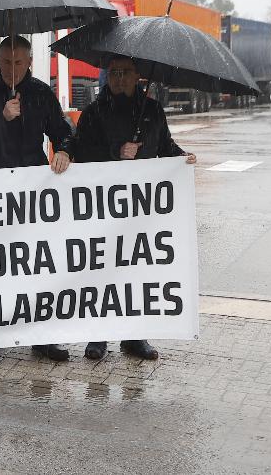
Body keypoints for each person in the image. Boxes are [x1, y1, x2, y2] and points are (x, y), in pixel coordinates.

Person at [71, 55, 198, 362]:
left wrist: (182, 157)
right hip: (103, 208)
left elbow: (164, 145)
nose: (119, 78)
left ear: (138, 75)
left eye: (125, 73)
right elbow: (79, 151)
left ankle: (133, 336)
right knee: (102, 271)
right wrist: (116, 152)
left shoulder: (152, 111)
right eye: (113, 73)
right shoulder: (93, 113)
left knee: (135, 273)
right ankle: (97, 335)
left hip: (141, 209)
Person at [0, 35, 76, 365]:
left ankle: (41, 337)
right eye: (6, 62)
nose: (11, 69)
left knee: (35, 268)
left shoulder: (41, 92)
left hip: (32, 195)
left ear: (30, 63)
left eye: (18, 63)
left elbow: (63, 131)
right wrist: (1, 118)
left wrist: (66, 150)